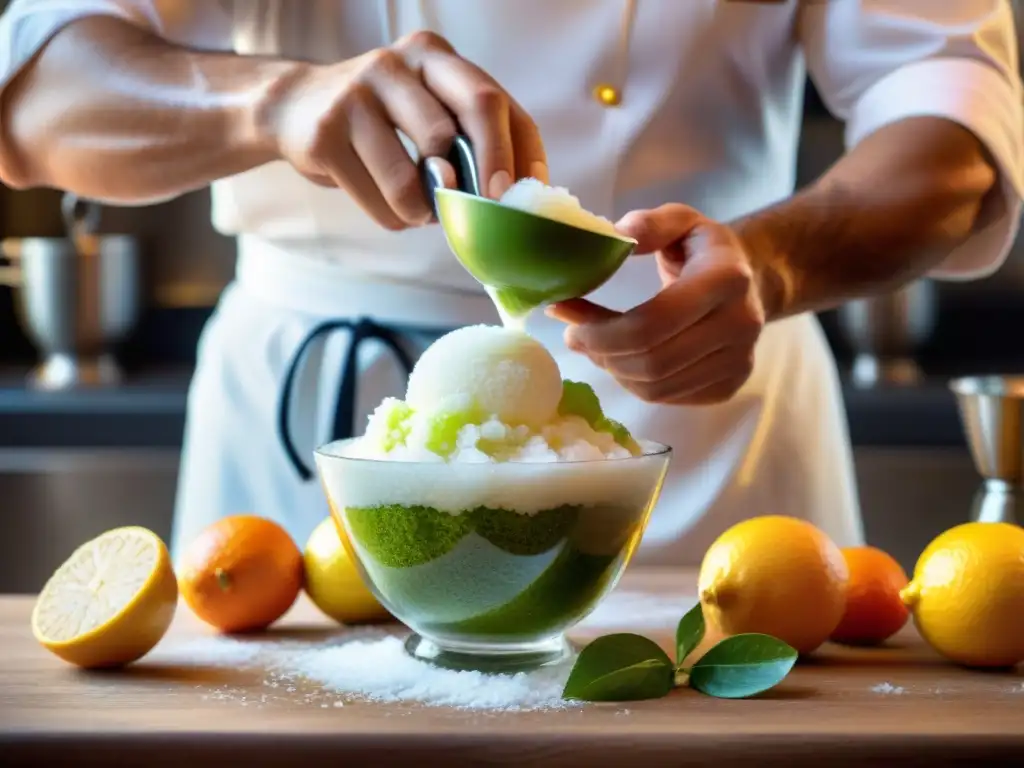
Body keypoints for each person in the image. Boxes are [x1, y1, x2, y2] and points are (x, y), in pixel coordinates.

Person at [1, 1, 1020, 567]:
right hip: (312, 452)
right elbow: (41, 96)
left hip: (699, 418)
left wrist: (772, 261)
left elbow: (950, 115)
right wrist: (269, 101)